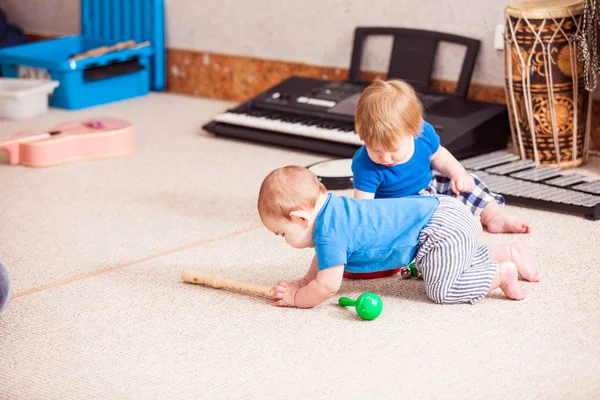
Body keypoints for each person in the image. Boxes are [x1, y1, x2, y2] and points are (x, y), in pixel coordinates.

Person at [257, 166, 539, 308]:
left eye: (282, 233)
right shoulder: (335, 211)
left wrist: (298, 296)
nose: (284, 239)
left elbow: (328, 285)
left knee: (442, 288)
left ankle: (500, 274)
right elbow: (322, 263)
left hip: (438, 227)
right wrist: (306, 280)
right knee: (445, 261)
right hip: (442, 211)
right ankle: (508, 252)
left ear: (300, 218)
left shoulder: (330, 233)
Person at [351, 78, 530, 234]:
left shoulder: (424, 135)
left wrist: (458, 174)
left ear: (413, 131)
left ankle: (494, 214)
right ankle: (458, 223)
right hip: (399, 209)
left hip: (428, 189)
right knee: (430, 221)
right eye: (375, 150)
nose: (385, 159)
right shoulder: (364, 164)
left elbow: (439, 156)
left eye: (393, 150)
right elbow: (362, 208)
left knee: (466, 184)